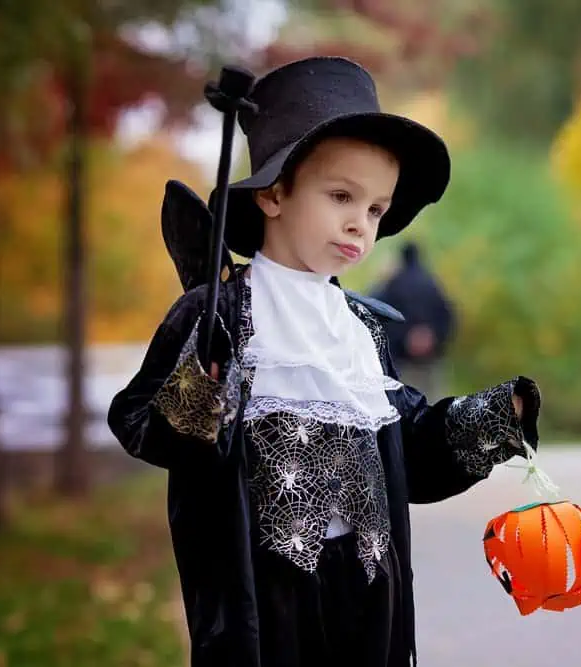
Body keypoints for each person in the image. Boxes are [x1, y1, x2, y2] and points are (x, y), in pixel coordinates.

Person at [107, 56, 541, 667]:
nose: (359, 225)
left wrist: (500, 415)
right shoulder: (221, 313)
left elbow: (409, 449)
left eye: (374, 210)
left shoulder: (359, 328)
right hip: (265, 598)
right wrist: (201, 391)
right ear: (275, 194)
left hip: (367, 591)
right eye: (341, 196)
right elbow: (138, 423)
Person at [372, 241, 454, 399]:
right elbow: (448, 316)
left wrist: (403, 339)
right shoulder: (432, 284)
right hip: (431, 359)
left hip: (402, 360)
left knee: (404, 403)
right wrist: (435, 338)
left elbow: (377, 311)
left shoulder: (392, 283)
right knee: (432, 402)